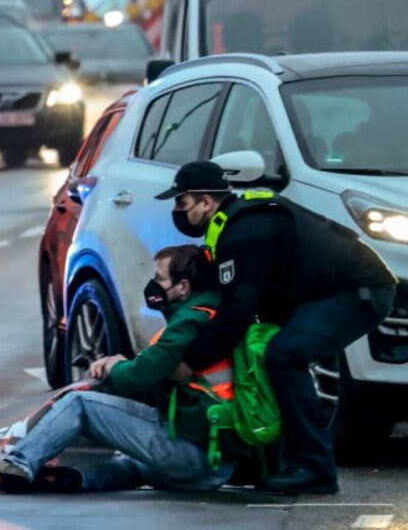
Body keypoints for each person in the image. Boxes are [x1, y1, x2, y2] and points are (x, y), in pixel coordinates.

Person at [158, 160, 396, 494]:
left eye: (182, 202)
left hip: (357, 291)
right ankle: (271, 460)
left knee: (285, 355)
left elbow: (238, 311)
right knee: (261, 354)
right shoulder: (234, 225)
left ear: (206, 201)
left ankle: (315, 469)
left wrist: (191, 362)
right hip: (318, 293)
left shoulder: (245, 230)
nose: (179, 211)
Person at [0, 245, 238, 493]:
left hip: (190, 454)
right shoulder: (215, 313)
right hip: (216, 469)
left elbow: (139, 377)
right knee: (132, 466)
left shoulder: (190, 320)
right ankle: (79, 479)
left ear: (183, 287)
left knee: (80, 403)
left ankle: (19, 463)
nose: (153, 285)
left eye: (160, 278)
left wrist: (113, 367)